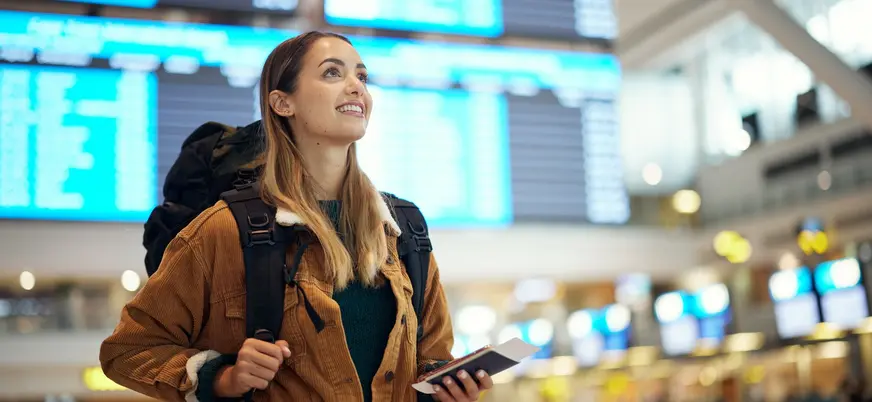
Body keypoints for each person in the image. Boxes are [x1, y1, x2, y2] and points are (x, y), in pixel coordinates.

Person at [99, 31, 494, 402]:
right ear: (282, 103)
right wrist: (222, 377)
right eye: (332, 73)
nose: (357, 86)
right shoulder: (225, 230)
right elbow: (128, 350)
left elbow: (432, 356)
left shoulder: (403, 231)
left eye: (361, 76)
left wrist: (446, 385)